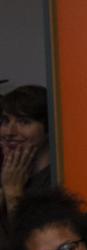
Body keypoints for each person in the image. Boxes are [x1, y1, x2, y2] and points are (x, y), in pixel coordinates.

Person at [0, 85, 54, 229]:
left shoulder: (56, 178)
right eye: (5, 121)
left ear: (49, 128)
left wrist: (12, 193)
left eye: (24, 122)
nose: (9, 132)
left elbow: (34, 246)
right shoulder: (6, 172)